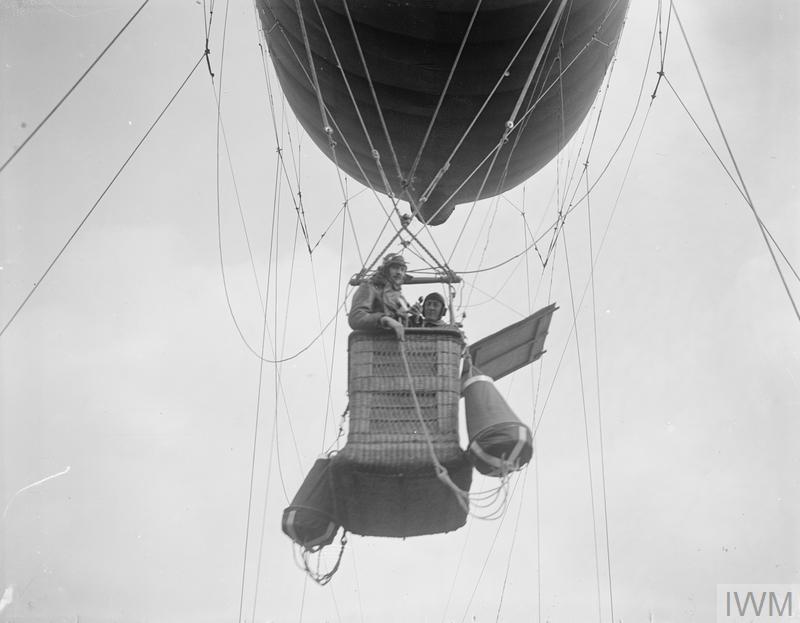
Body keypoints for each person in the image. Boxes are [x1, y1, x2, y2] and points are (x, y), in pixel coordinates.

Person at [348, 253, 412, 340]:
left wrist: (415, 318)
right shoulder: (370, 287)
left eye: (402, 269)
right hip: (373, 345)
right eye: (395, 268)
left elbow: (405, 327)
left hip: (398, 347)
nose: (399, 272)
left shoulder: (401, 298)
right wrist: (383, 319)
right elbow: (356, 317)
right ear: (385, 270)